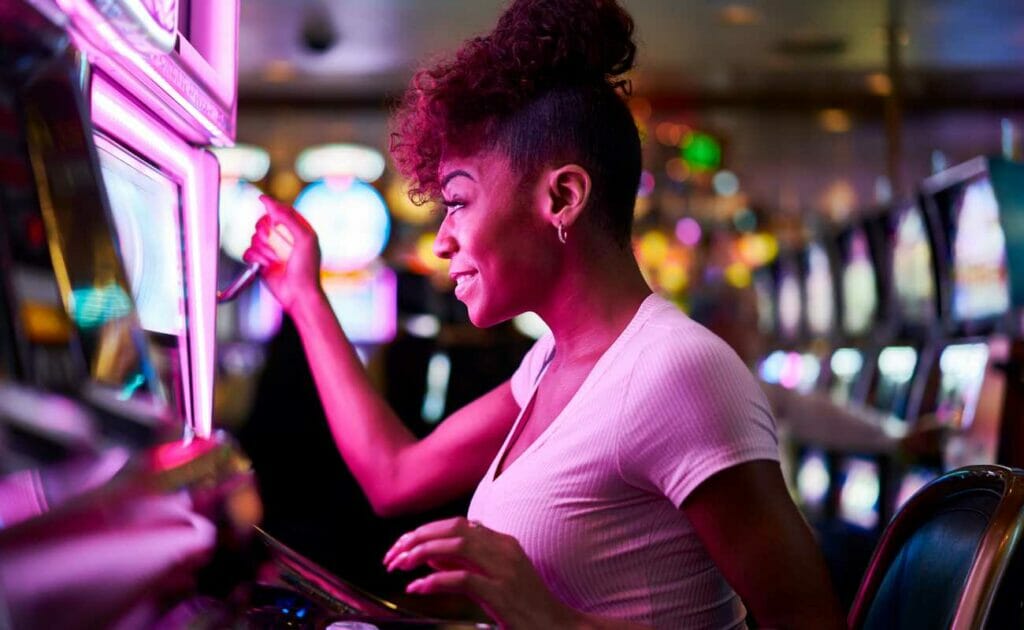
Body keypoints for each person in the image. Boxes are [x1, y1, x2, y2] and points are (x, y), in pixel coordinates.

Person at [244, 0, 846, 627]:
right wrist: (304, 296)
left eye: (457, 202)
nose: (443, 238)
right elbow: (395, 476)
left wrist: (550, 619)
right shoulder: (550, 363)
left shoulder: (676, 370)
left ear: (562, 196)